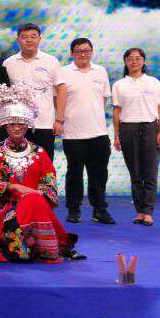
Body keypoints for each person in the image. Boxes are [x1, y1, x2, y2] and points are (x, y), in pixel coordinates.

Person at [0, 82, 81, 262]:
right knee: (20, 254)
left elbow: (49, 182)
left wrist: (34, 195)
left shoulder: (39, 152)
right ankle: (41, 245)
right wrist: (16, 188)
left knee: (34, 200)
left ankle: (42, 247)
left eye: (22, 123)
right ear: (5, 125)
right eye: (12, 123)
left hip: (36, 206)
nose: (17, 127)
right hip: (7, 208)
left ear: (28, 124)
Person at [55, 38, 115, 225]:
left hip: (99, 132)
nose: (83, 54)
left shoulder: (100, 71)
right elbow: (57, 100)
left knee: (99, 174)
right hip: (73, 133)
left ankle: (99, 210)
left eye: (86, 50)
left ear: (92, 51)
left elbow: (103, 99)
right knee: (74, 173)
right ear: (72, 53)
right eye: (78, 51)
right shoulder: (63, 72)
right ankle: (73, 209)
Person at [112, 48, 160, 227]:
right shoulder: (119, 85)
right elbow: (117, 111)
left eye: (138, 58)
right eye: (130, 59)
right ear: (125, 62)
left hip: (150, 128)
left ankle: (148, 212)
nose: (134, 61)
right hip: (128, 129)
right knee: (135, 174)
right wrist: (117, 136)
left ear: (143, 61)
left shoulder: (153, 82)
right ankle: (139, 211)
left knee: (150, 173)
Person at [2, 23, 62, 160]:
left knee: (45, 164)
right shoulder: (8, 63)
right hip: (17, 125)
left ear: (40, 39)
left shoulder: (51, 61)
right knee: (17, 164)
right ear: (18, 40)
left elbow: (61, 90)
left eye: (33, 36)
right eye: (24, 37)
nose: (29, 40)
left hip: (45, 124)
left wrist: (59, 120)